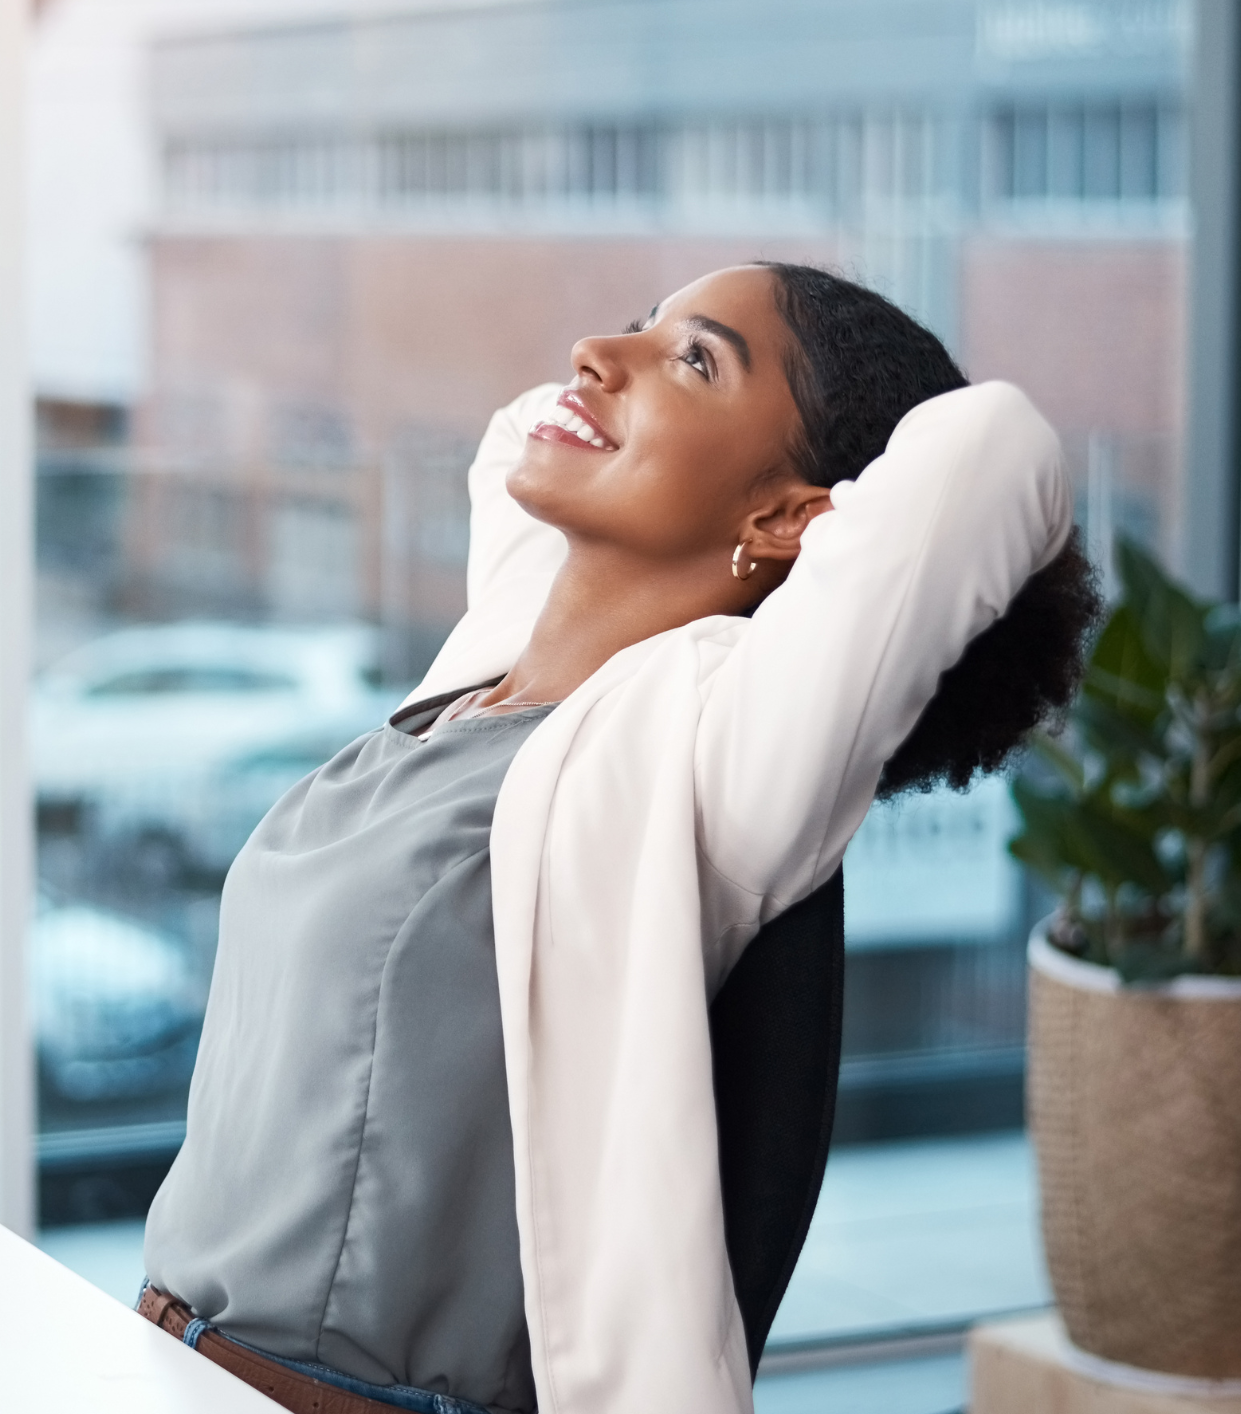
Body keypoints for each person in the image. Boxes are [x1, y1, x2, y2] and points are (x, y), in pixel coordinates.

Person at [135, 263, 1099, 1414]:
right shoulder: (476, 683)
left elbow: (989, 450)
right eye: (638, 329)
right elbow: (510, 439)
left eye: (693, 360)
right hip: (150, 1354)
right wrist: (655, 381)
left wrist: (804, 535)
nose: (596, 352)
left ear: (789, 514)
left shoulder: (703, 761)